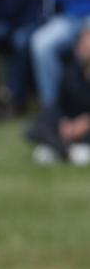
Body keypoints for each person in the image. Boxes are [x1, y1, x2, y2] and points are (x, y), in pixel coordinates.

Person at [30, 0, 90, 109]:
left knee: (87, 47)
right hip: (69, 18)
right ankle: (53, 108)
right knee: (41, 43)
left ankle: (84, 109)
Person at [26, 22, 90, 165]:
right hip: (70, 124)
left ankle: (60, 148)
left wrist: (86, 123)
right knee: (36, 126)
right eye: (83, 40)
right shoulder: (70, 73)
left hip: (86, 127)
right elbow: (59, 105)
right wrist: (64, 123)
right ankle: (66, 149)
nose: (84, 45)